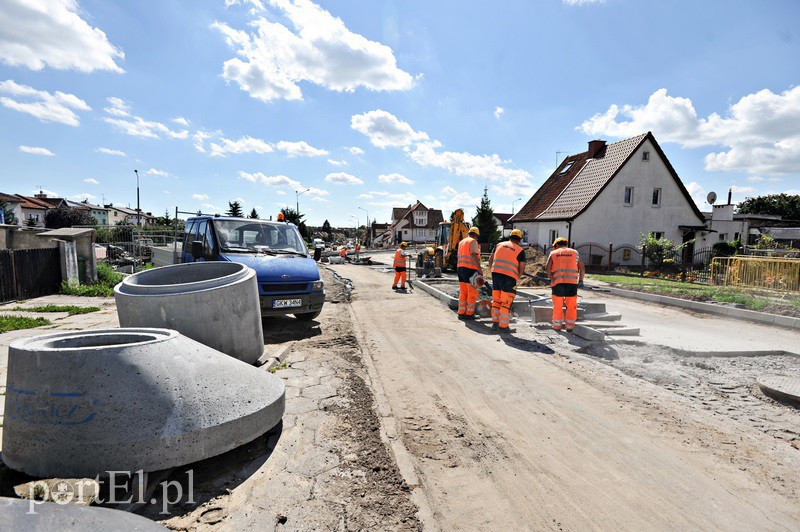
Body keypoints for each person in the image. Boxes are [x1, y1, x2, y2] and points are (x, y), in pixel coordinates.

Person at [488, 229, 526, 333]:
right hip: (509, 278)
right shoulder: (520, 250)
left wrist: (493, 271)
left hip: (495, 275)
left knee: (496, 300)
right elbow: (522, 268)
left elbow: (490, 260)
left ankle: (495, 323)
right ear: (519, 240)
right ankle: (503, 327)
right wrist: (517, 276)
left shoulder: (499, 245)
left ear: (509, 237)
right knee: (506, 301)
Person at [546, 237, 585, 332]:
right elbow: (582, 267)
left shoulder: (553, 253)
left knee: (558, 305)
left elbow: (547, 267)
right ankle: (570, 326)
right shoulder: (575, 253)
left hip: (558, 283)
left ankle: (557, 325)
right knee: (571, 306)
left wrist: (550, 277)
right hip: (572, 284)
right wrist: (581, 281)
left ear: (557, 245)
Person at [456, 226, 483, 320]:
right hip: (470, 270)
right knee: (472, 293)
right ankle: (469, 313)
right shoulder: (473, 242)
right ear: (476, 235)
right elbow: (474, 256)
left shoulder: (462, 242)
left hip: (460, 268)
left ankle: (461, 312)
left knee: (463, 292)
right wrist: (480, 270)